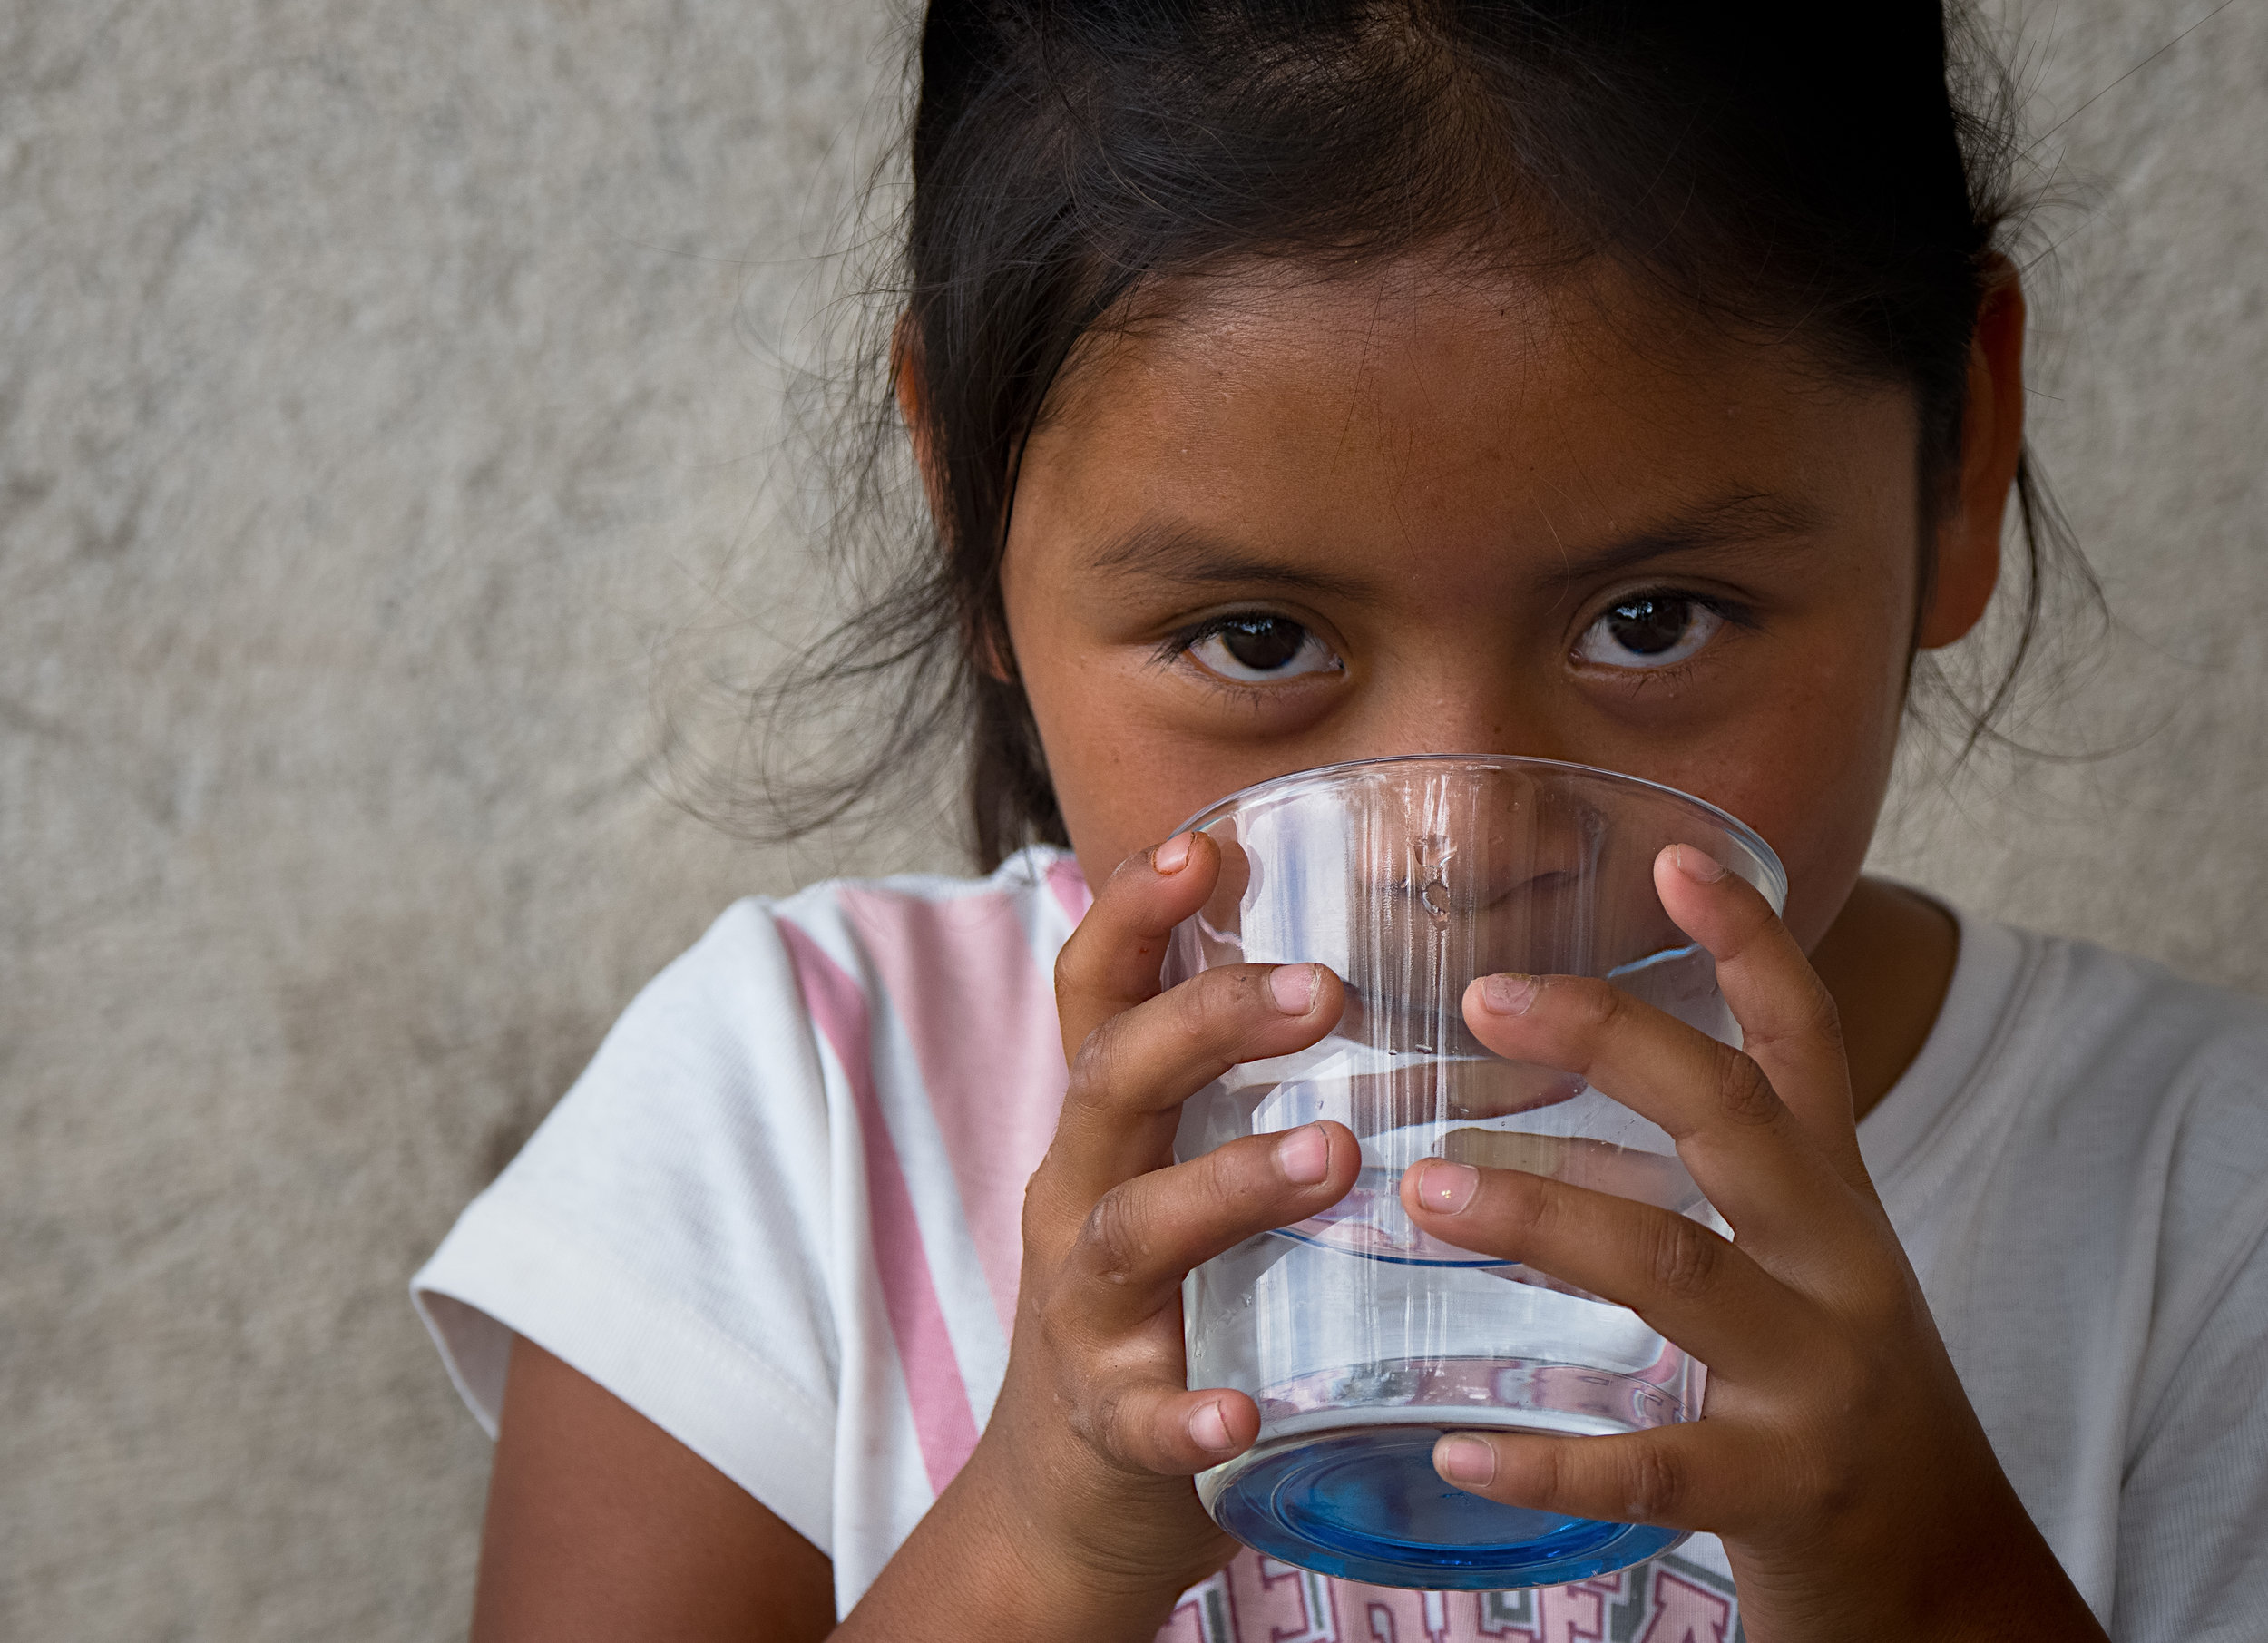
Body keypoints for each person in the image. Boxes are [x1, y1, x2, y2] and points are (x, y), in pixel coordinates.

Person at [413, 2, 2268, 1638]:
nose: (1448, 839)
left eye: (1648, 621)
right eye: (1255, 636)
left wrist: (1919, 1578)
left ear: (1963, 452)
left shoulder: (2202, 1203)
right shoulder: (794, 1119)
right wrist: (1034, 1542)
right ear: (970, 509)